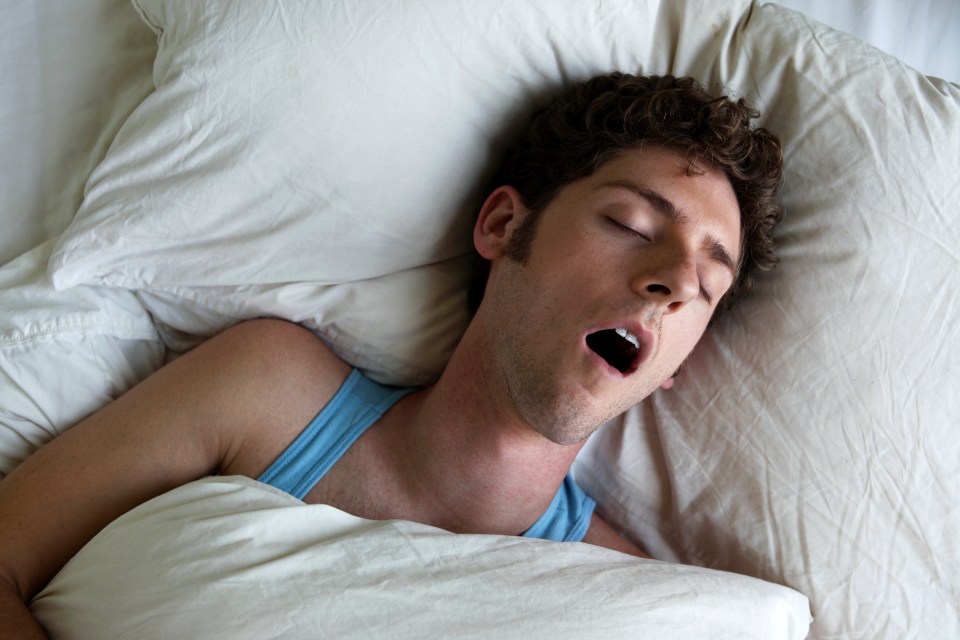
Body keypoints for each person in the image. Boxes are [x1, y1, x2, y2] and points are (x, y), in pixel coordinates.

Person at [0, 72, 783, 636]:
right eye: (632, 225)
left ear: (676, 365)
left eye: (706, 286)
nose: (674, 282)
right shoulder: (269, 391)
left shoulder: (627, 599)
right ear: (505, 227)